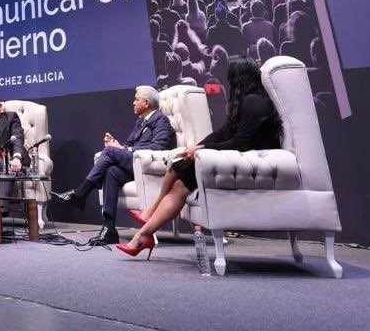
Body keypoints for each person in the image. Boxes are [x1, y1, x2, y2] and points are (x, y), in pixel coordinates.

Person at [116, 58, 282, 259]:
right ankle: (145, 230)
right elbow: (224, 132)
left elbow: (242, 142)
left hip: (247, 160)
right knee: (179, 167)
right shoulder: (246, 100)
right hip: (236, 155)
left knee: (180, 170)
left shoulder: (254, 102)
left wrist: (203, 149)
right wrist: (195, 146)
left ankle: (146, 224)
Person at [51, 86, 175, 245]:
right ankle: (109, 229)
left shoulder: (161, 120)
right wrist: (118, 145)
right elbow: (129, 145)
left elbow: (159, 147)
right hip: (134, 165)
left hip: (148, 167)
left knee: (109, 152)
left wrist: (122, 149)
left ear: (146, 102)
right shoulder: (140, 122)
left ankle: (79, 194)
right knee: (111, 172)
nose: (133, 103)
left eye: (136, 99)